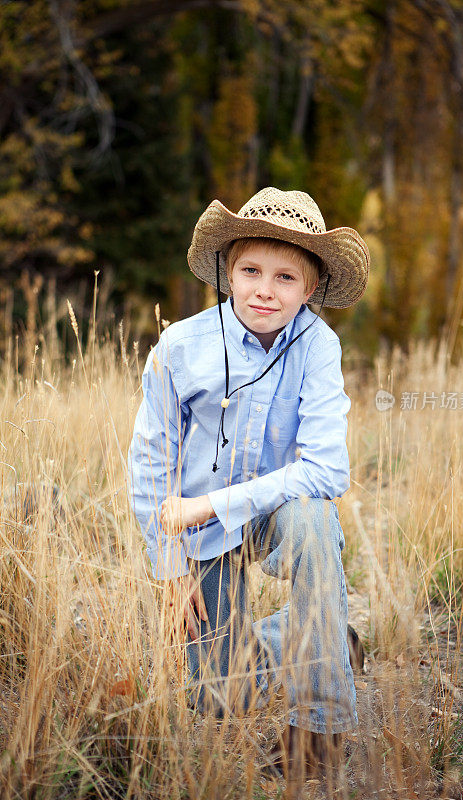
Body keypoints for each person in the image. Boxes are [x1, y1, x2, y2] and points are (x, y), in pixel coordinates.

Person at [128, 186, 370, 784]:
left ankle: (320, 727)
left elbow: (327, 470)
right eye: (251, 270)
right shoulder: (182, 348)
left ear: (310, 289)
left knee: (314, 517)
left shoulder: (319, 347)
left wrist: (212, 503)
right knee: (216, 698)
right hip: (200, 530)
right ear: (228, 272)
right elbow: (151, 462)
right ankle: (321, 631)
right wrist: (170, 567)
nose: (266, 289)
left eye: (286, 276)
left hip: (266, 510)